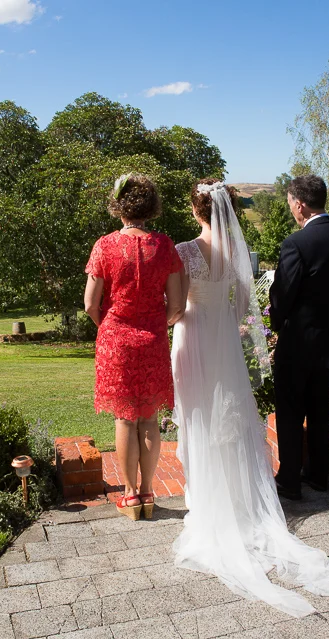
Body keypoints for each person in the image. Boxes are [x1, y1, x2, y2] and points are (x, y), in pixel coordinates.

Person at [171, 178, 329, 617]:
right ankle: (240, 500)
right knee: (230, 415)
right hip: (224, 340)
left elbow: (174, 305)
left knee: (198, 413)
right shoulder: (240, 253)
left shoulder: (184, 250)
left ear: (195, 211)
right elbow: (243, 302)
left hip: (191, 337)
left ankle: (203, 498)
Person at [84, 173, 184, 520]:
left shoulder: (105, 245)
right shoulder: (165, 246)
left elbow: (89, 304)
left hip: (116, 342)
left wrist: (111, 326)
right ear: (150, 206)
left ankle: (129, 497)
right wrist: (155, 325)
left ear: (119, 205)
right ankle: (148, 491)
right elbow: (177, 305)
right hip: (153, 340)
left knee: (126, 420)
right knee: (150, 419)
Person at [270, 175, 329, 499]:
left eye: (291, 203)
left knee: (291, 410)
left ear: (300, 204)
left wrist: (278, 322)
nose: (292, 209)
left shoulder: (297, 244)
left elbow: (283, 294)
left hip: (297, 342)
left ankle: (290, 480)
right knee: (321, 407)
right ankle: (319, 474)